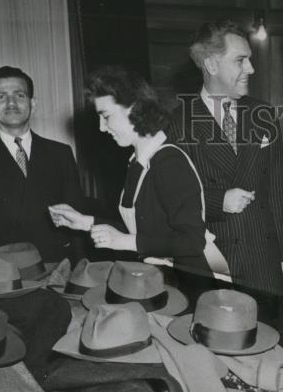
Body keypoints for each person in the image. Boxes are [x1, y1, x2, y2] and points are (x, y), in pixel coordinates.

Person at [48, 66, 220, 281]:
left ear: (135, 108)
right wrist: (85, 222)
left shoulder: (169, 162)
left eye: (106, 116)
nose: (102, 127)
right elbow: (142, 229)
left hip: (191, 283)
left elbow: (192, 242)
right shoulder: (138, 162)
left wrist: (124, 242)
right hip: (158, 278)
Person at [169, 20, 283, 320]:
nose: (251, 69)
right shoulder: (176, 123)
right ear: (211, 64)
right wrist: (216, 200)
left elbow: (275, 192)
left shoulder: (264, 115)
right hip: (213, 268)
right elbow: (167, 201)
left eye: (249, 59)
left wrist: (282, 258)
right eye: (240, 60)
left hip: (264, 267)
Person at [0, 66, 85, 261]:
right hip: (3, 273)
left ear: (33, 104)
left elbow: (77, 216)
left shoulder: (60, 153)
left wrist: (82, 268)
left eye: (19, 95)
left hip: (57, 268)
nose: (11, 103)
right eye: (1, 97)